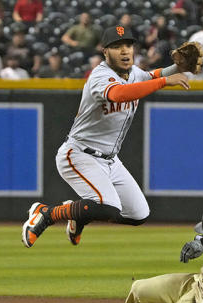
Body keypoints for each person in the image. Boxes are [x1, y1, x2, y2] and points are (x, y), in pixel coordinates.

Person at [21, 25, 190, 248]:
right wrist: (163, 82)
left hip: (111, 160)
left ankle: (79, 214)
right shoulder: (100, 76)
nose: (124, 51)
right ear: (105, 52)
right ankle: (47, 213)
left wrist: (178, 67)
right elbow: (118, 94)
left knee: (138, 215)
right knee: (108, 207)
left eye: (128, 45)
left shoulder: (134, 73)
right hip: (79, 154)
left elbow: (152, 74)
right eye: (116, 46)